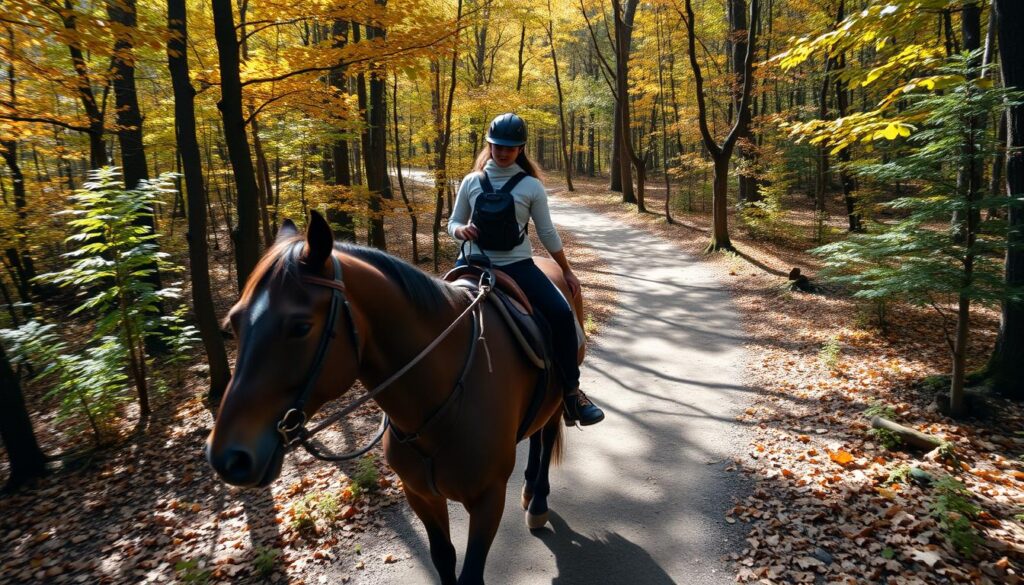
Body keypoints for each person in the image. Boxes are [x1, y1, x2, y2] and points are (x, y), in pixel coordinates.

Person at [448, 113, 605, 426]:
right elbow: (453, 222)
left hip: (517, 265)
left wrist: (567, 270)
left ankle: (571, 393)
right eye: (497, 146)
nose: (503, 152)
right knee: (431, 309)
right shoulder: (471, 181)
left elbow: (546, 232)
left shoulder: (531, 186)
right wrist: (460, 231)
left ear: (521, 149)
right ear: (488, 145)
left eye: (510, 147)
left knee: (561, 315)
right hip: (472, 263)